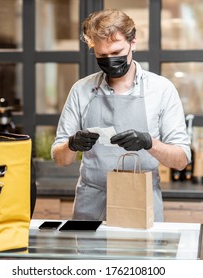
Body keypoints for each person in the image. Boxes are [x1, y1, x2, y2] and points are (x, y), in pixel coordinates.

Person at [51, 9, 191, 222]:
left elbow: (181, 160)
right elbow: (60, 159)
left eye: (116, 53)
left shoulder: (161, 89)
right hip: (91, 204)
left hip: (140, 201)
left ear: (133, 43)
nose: (110, 61)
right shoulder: (81, 90)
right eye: (102, 56)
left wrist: (148, 142)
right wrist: (72, 145)